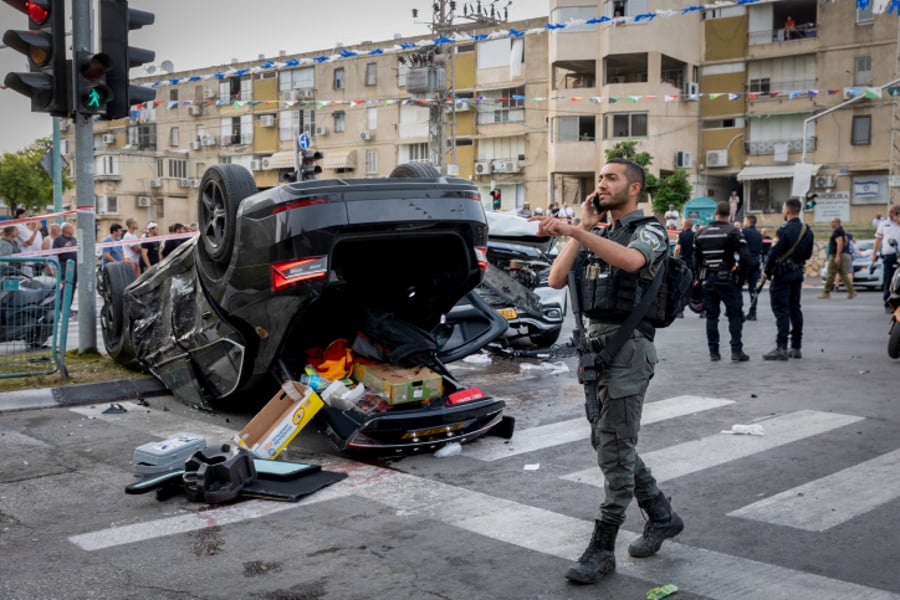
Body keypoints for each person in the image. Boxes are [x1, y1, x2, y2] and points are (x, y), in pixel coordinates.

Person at [533, 158, 683, 586]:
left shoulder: (649, 230)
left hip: (628, 349)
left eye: (611, 178)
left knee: (614, 448)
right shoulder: (599, 232)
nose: (601, 184)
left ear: (633, 188)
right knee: (608, 442)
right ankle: (662, 515)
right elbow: (558, 278)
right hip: (596, 353)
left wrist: (576, 231)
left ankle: (603, 549)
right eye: (599, 177)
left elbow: (634, 262)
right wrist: (583, 226)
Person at [693, 201, 752, 361]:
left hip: (708, 280)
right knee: (734, 315)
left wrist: (698, 278)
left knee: (712, 317)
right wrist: (741, 277)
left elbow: (695, 260)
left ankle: (714, 352)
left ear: (715, 214)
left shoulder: (700, 233)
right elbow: (746, 257)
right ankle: (736, 350)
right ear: (729, 215)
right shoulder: (733, 231)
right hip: (727, 279)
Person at [762, 198, 815, 360]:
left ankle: (781, 347)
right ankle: (796, 347)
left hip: (782, 275)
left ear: (787, 211)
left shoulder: (783, 230)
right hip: (797, 273)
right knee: (795, 309)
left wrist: (766, 271)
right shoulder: (807, 230)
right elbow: (808, 254)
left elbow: (774, 253)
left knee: (781, 310)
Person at [817, 217, 856, 300]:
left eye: (832, 222)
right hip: (838, 254)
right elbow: (845, 240)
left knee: (830, 273)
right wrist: (842, 250)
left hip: (835, 255)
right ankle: (851, 291)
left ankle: (826, 292)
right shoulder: (841, 231)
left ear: (837, 223)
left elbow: (840, 242)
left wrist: (838, 255)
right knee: (842, 274)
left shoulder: (837, 232)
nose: (831, 224)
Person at [871, 205, 900, 313]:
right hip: (889, 256)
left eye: (892, 213)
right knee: (888, 280)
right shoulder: (884, 224)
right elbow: (878, 240)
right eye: (889, 212)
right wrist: (874, 253)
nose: (890, 215)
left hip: (899, 255)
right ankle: (887, 303)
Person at [741, 215, 764, 320]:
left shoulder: (744, 232)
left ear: (748, 221)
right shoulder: (759, 234)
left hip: (745, 263)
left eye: (745, 220)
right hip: (756, 262)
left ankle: (738, 310)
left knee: (737, 287)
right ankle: (753, 311)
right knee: (753, 289)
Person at [53, 222, 78, 309]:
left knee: (73, 285)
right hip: (64, 265)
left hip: (75, 265)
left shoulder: (74, 239)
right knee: (65, 285)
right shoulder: (59, 239)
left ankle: (68, 306)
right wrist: (64, 248)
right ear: (65, 229)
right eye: (71, 228)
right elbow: (54, 251)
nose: (72, 229)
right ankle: (61, 306)